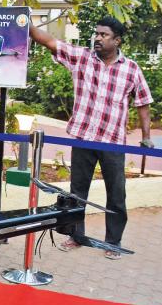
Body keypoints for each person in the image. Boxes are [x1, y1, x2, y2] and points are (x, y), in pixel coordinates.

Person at [29, 17, 153, 260]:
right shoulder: (82, 58)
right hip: (83, 139)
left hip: (112, 142)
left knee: (116, 194)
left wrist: (147, 137)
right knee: (77, 193)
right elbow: (51, 42)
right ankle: (77, 236)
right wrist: (25, 23)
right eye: (96, 33)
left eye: (104, 35)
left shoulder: (131, 69)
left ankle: (113, 242)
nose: (97, 38)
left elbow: (143, 103)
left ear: (117, 40)